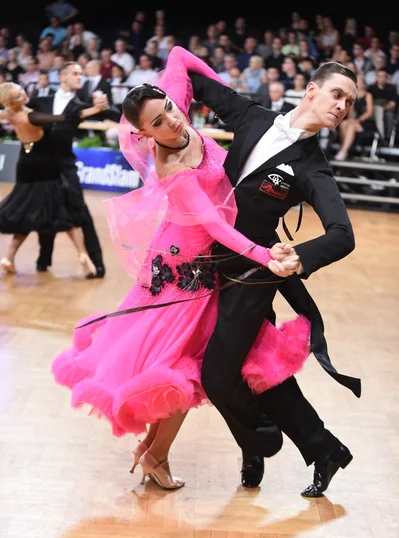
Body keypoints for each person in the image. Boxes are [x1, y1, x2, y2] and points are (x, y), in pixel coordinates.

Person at [51, 47, 312, 491]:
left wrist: (224, 91)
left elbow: (177, 56)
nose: (172, 121)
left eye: (170, 109)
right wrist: (265, 254)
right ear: (144, 134)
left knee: (185, 366)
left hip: (198, 263)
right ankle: (155, 454)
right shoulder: (172, 164)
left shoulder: (173, 108)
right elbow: (214, 225)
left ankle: (153, 453)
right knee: (182, 369)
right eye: (157, 123)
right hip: (183, 271)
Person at [179, 46, 361, 497]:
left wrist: (300, 255)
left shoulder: (312, 167)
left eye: (349, 102)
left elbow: (343, 233)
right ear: (312, 90)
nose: (341, 106)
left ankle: (258, 441)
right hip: (207, 262)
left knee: (219, 376)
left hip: (254, 275)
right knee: (258, 368)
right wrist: (161, 124)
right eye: (337, 94)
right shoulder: (253, 117)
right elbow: (190, 75)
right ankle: (324, 449)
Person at [0, 82, 106, 275]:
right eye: (17, 96)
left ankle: (8, 257)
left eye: (21, 91)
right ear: (11, 101)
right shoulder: (31, 116)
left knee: (26, 213)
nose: (24, 95)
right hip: (44, 167)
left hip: (25, 164)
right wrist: (95, 109)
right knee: (62, 211)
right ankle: (83, 254)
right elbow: (65, 117)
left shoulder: (8, 113)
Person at [28, 61, 118, 277]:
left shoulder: (80, 106)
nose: (80, 77)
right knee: (46, 211)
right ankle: (44, 259)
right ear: (62, 76)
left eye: (81, 73)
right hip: (42, 167)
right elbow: (18, 111)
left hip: (66, 167)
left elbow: (114, 115)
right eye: (75, 73)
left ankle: (97, 263)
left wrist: (105, 106)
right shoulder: (41, 101)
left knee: (81, 212)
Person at [335, 74, 376, 160]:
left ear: (364, 84)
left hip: (365, 121)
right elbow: (351, 111)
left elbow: (370, 112)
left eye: (360, 83)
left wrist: (358, 120)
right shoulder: (352, 96)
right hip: (354, 120)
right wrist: (351, 120)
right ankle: (344, 149)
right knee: (344, 123)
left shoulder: (368, 95)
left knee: (351, 126)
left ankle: (343, 151)